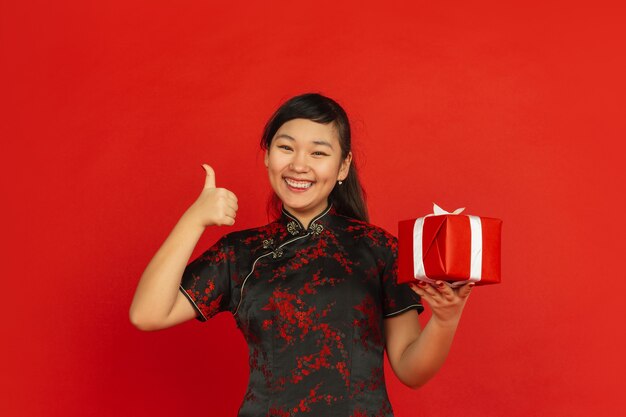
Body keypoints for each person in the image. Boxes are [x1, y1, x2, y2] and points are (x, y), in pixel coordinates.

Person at [129, 93, 475, 416]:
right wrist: (193, 220)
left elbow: (410, 370)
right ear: (267, 155)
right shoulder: (240, 253)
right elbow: (147, 314)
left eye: (318, 153)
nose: (299, 164)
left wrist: (446, 320)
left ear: (343, 167)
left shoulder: (378, 248)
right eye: (286, 147)